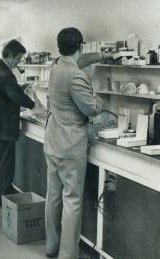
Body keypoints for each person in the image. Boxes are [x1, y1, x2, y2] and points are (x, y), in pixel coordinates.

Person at [43, 27, 112, 259]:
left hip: (52, 142)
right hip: (70, 147)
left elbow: (79, 60)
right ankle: (68, 255)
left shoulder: (56, 65)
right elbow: (91, 108)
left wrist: (104, 55)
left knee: (53, 196)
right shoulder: (76, 76)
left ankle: (52, 247)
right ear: (80, 45)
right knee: (72, 200)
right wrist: (101, 98)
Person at [0, 39, 38, 207]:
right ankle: (8, 206)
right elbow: (15, 96)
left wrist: (20, 86)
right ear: (11, 56)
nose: (19, 62)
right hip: (2, 129)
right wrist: (36, 106)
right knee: (6, 168)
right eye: (19, 58)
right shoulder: (5, 74)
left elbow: (5, 89)